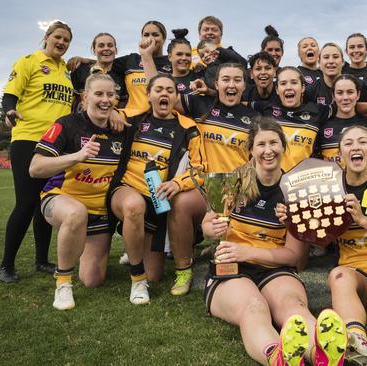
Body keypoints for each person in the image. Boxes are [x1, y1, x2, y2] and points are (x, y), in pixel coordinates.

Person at [202, 117, 347, 366]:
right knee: (254, 307)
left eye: (274, 143)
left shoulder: (297, 190)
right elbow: (207, 224)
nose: (268, 150)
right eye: (261, 144)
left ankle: (323, 355)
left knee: (293, 306)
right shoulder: (232, 181)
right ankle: (278, 357)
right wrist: (212, 228)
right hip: (231, 268)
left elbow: (292, 256)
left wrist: (290, 223)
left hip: (275, 267)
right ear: (251, 150)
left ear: (283, 147)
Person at [278, 125, 367, 365]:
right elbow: (315, 237)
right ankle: (357, 341)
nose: (356, 147)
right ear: (339, 155)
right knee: (338, 274)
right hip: (357, 278)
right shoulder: (329, 188)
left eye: (362, 142)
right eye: (348, 143)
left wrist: (363, 220)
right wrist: (294, 219)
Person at [28, 74, 124, 310]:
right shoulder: (67, 124)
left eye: (110, 95)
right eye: (99, 94)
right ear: (85, 97)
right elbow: (35, 168)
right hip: (61, 200)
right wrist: (76, 156)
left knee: (92, 280)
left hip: (99, 211)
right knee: (75, 214)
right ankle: (63, 282)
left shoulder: (120, 128)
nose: (105, 100)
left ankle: (77, 245)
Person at [108, 74, 203, 303]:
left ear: (175, 97)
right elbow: (99, 115)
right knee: (134, 206)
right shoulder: (133, 117)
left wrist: (177, 183)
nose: (164, 94)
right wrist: (111, 110)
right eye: (158, 89)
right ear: (148, 95)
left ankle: (135, 238)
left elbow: (200, 169)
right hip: (127, 190)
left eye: (170, 90)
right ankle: (137, 281)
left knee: (156, 275)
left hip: (158, 202)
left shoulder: (188, 127)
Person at [167, 63, 259, 295]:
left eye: (237, 80)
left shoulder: (254, 117)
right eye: (226, 79)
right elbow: (162, 94)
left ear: (244, 86)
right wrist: (147, 56)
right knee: (179, 204)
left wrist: (245, 189)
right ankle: (183, 270)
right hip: (203, 185)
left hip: (237, 189)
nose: (231, 84)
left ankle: (221, 250)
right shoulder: (201, 104)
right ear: (216, 84)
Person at [0, 20, 74, 283]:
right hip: (28, 140)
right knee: (26, 202)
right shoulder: (28, 61)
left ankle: (41, 260)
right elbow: (10, 94)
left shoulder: (66, 70)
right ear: (47, 36)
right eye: (58, 37)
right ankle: (6, 264)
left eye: (66, 40)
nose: (62, 43)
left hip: (56, 144)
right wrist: (9, 110)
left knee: (45, 201)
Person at [254, 66, 330, 172]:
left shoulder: (318, 111)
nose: (288, 87)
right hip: (271, 179)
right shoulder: (266, 109)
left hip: (302, 181)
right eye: (283, 83)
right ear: (277, 89)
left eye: (294, 82)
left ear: (303, 87)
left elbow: (345, 104)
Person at [317, 74, 367, 164]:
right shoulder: (322, 126)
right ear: (333, 96)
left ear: (358, 95)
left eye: (350, 92)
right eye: (340, 93)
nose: (345, 98)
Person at [70, 33, 126, 112]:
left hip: (108, 123)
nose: (106, 48)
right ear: (94, 50)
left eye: (110, 45)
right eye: (101, 46)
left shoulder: (121, 76)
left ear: (115, 50)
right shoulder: (80, 70)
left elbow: (122, 107)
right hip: (79, 122)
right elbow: (69, 101)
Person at [167, 29, 201, 96]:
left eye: (188, 55)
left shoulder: (201, 75)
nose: (184, 58)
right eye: (179, 54)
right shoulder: (164, 81)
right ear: (170, 57)